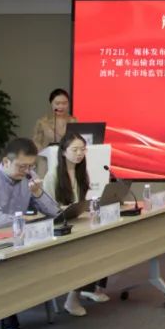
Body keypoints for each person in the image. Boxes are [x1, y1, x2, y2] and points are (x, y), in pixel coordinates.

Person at [0, 137, 60, 329]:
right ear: (6, 161)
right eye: (22, 166)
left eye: (31, 166)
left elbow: (55, 211)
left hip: (13, 240)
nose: (27, 171)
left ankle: (8, 310)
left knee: (42, 258)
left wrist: (38, 193)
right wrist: (26, 219)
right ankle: (1, 313)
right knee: (14, 265)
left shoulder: (28, 176)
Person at [44, 133, 111, 316]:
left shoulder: (82, 172)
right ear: (63, 152)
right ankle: (72, 299)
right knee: (87, 250)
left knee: (104, 240)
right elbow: (48, 209)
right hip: (60, 227)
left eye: (82, 149)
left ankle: (92, 288)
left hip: (76, 222)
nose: (79, 153)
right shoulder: (53, 175)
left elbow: (79, 202)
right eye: (75, 150)